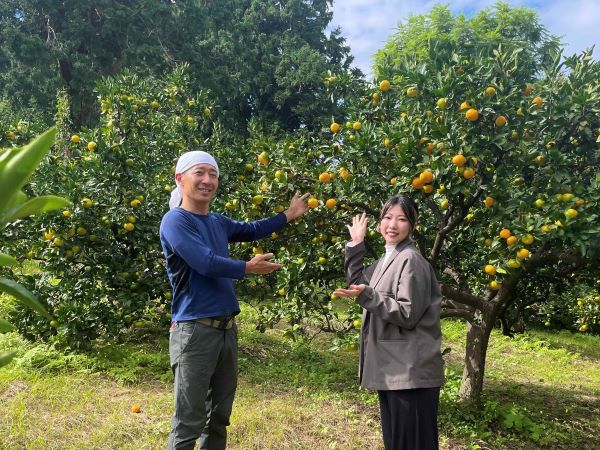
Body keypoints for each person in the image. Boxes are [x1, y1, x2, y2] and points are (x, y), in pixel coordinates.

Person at [160, 150, 309, 450]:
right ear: (180, 178)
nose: (207, 180)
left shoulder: (216, 221)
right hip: (194, 331)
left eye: (212, 174)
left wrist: (288, 215)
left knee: (219, 416)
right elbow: (205, 262)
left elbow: (252, 229)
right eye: (199, 173)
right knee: (189, 420)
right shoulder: (175, 221)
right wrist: (246, 268)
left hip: (226, 329)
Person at [333, 195, 444, 450]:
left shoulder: (410, 260)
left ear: (412, 225)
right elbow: (357, 282)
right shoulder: (388, 259)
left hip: (410, 374)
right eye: (387, 217)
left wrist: (366, 295)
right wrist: (356, 244)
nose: (392, 225)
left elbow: (408, 313)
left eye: (401, 219)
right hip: (395, 370)